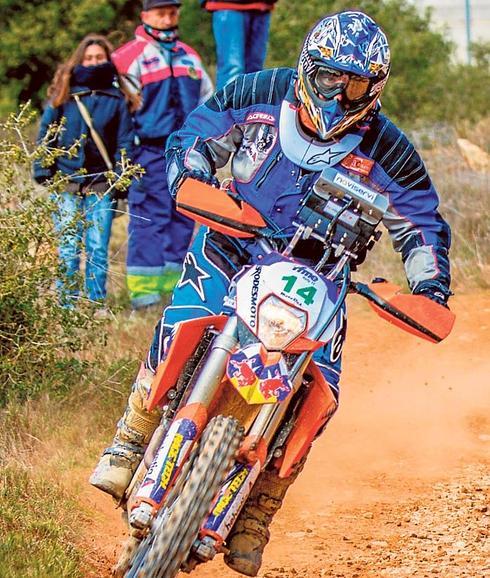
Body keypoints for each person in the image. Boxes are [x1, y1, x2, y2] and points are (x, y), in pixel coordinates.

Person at [91, 11, 452, 576]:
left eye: (354, 85)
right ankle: (132, 438)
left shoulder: (388, 148)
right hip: (234, 236)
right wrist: (192, 171)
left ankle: (260, 508)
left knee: (322, 389)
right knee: (182, 320)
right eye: (329, 77)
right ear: (309, 68)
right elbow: (195, 137)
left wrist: (429, 286)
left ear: (374, 88)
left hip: (321, 274)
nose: (338, 94)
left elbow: (421, 224)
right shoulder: (258, 91)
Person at [112, 0, 214, 310]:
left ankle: (174, 290)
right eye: (160, 12)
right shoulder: (129, 57)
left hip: (185, 152)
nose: (167, 18)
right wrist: (124, 156)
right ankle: (144, 297)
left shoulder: (189, 56)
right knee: (148, 220)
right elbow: (117, 111)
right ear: (145, 15)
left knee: (183, 218)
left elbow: (208, 101)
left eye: (172, 12)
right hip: (147, 151)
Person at [34, 34, 135, 308]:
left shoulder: (116, 99)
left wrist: (122, 178)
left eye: (99, 58)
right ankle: (65, 306)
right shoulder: (65, 94)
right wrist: (42, 168)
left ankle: (94, 305)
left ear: (107, 61)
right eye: (88, 58)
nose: (93, 64)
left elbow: (125, 141)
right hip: (66, 180)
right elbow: (47, 133)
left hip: (101, 184)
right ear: (80, 60)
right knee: (68, 247)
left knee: (98, 249)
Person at [201, 0, 278, 89]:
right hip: (227, 5)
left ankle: (252, 103)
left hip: (262, 7)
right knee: (232, 70)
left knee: (256, 73)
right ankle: (229, 102)